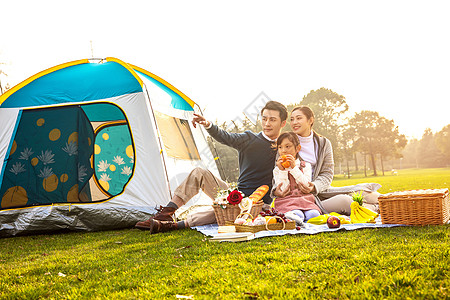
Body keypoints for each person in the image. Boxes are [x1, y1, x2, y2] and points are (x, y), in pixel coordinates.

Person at [135, 100, 288, 233]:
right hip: (236, 195)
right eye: (264, 119)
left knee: (219, 214)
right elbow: (226, 137)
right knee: (199, 173)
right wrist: (208, 124)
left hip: (258, 205)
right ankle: (166, 213)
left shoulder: (285, 148)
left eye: (272, 120)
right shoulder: (250, 139)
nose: (267, 123)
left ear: (282, 123)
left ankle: (172, 226)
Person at [273, 106, 353, 215]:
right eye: (292, 119)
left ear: (310, 120)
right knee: (346, 201)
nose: (294, 122)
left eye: (298, 118)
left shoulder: (324, 143)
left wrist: (314, 186)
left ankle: (377, 205)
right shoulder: (285, 143)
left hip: (319, 192)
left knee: (365, 193)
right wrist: (276, 190)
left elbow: (327, 173)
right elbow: (278, 173)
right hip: (293, 198)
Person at [272, 132, 321, 225]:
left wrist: (294, 168)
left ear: (298, 148)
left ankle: (299, 219)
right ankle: (294, 217)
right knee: (298, 215)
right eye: (280, 147)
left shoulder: (305, 165)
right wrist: (283, 170)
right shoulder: (277, 170)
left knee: (314, 214)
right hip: (287, 201)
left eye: (287, 146)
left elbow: (306, 185)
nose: (283, 151)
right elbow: (282, 189)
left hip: (305, 200)